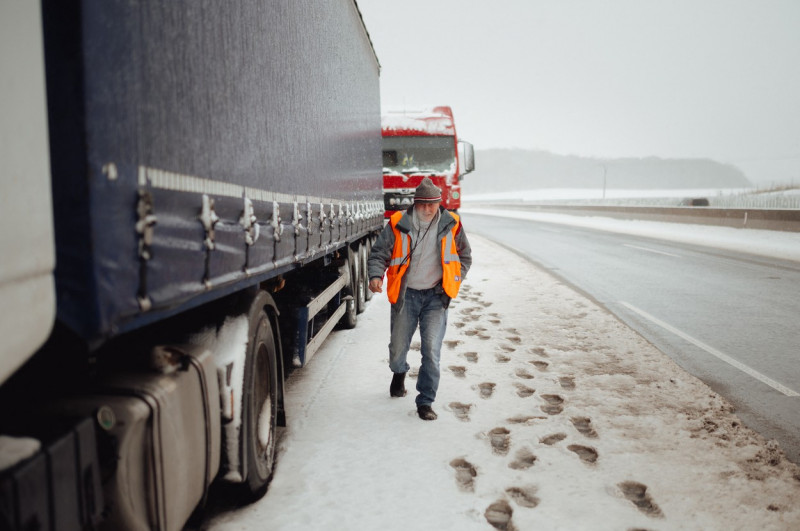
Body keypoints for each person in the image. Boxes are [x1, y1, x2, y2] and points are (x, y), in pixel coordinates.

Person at [368, 177, 472, 420]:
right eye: (422, 204)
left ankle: (425, 401)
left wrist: (454, 280)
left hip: (436, 297)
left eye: (432, 204)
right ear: (415, 204)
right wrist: (376, 275)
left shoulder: (452, 224)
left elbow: (464, 257)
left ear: (439, 203)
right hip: (406, 296)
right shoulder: (397, 224)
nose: (427, 209)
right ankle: (399, 372)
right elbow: (378, 253)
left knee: (431, 351)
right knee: (397, 349)